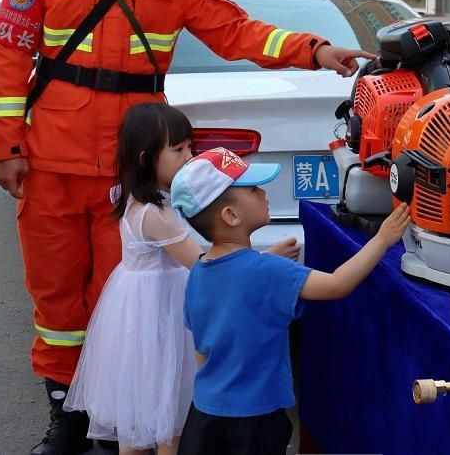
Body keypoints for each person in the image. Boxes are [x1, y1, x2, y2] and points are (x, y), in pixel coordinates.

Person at [0, 0, 371, 455]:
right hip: (50, 158)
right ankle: (67, 417)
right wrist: (7, 147)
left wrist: (313, 48)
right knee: (56, 298)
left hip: (134, 169)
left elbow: (237, 33)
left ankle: (121, 417)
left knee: (128, 300)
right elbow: (8, 54)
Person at [64, 104, 299, 455]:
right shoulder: (157, 214)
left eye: (190, 147)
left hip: (138, 310)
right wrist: (268, 262)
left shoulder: (136, 198)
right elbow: (205, 266)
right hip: (161, 312)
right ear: (146, 158)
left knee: (141, 411)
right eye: (178, 150)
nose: (189, 156)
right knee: (169, 414)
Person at [171, 148, 410, 455]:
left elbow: (203, 349)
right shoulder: (269, 273)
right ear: (231, 216)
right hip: (255, 421)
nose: (264, 193)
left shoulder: (199, 272)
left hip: (204, 414)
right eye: (254, 189)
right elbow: (338, 283)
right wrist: (382, 239)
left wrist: (265, 260)